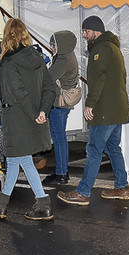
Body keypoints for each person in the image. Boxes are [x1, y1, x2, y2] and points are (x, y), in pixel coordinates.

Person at [0, 19, 57, 221]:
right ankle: (1, 204)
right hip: (33, 117)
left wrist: (35, 113)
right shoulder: (37, 57)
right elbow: (50, 88)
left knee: (22, 160)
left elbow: (17, 94)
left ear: (7, 36)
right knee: (15, 161)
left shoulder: (8, 62)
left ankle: (42, 203)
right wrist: (42, 111)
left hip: (17, 118)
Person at [58, 16, 129, 206]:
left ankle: (83, 192)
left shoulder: (100, 49)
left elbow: (98, 79)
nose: (84, 35)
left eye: (86, 31)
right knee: (113, 147)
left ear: (96, 31)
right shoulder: (114, 48)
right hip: (118, 108)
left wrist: (90, 104)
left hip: (106, 109)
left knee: (94, 149)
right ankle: (122, 187)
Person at [43, 29, 79, 187]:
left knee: (58, 139)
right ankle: (62, 170)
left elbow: (48, 77)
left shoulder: (64, 60)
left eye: (53, 44)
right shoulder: (66, 55)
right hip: (62, 104)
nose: (51, 47)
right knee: (60, 138)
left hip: (59, 104)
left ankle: (61, 173)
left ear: (61, 44)